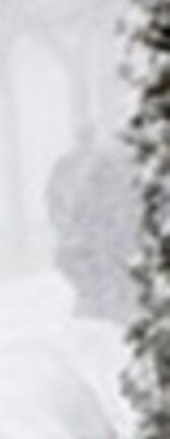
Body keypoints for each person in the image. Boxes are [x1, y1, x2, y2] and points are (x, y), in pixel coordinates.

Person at [47, 128, 139, 322]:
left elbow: (57, 201)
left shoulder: (92, 167)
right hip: (99, 242)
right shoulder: (70, 165)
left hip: (106, 242)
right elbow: (56, 200)